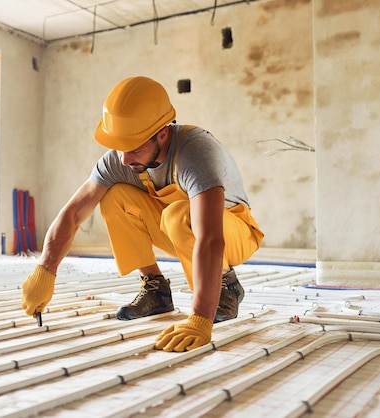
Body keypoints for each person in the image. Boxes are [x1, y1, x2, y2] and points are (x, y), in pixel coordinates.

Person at [21, 76, 264, 352]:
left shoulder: (195, 153)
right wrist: (45, 269)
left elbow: (210, 238)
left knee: (178, 214)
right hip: (181, 227)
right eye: (120, 147)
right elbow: (74, 212)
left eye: (134, 148)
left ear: (162, 133)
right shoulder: (122, 157)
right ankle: (156, 291)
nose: (124, 159)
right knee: (113, 196)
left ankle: (226, 286)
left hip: (231, 233)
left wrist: (199, 319)